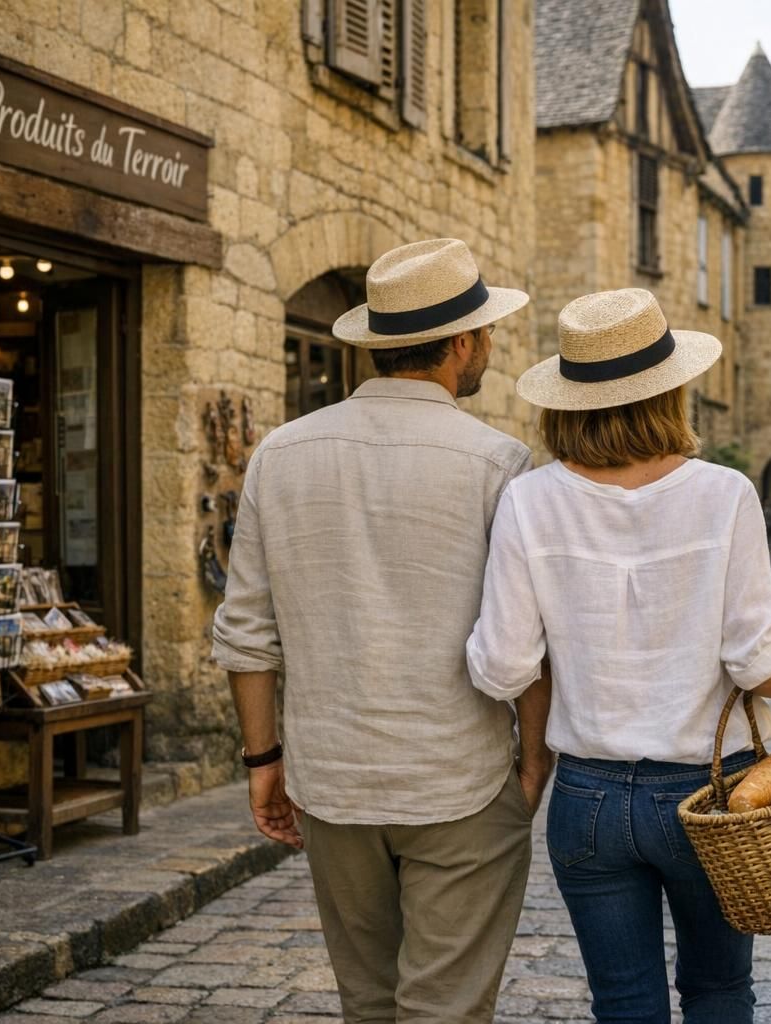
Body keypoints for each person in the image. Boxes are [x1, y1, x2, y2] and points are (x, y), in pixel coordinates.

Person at [211, 239, 549, 1024]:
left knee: (367, 1003)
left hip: (333, 779)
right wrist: (534, 762)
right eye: (487, 334)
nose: (489, 348)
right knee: (447, 1007)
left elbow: (246, 632)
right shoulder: (499, 462)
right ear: (462, 343)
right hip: (459, 775)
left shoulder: (279, 455)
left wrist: (264, 760)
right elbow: (527, 640)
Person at [466, 288, 771, 1024]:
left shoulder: (530, 501)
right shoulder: (723, 494)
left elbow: (500, 666)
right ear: (671, 390)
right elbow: (758, 660)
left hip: (587, 796)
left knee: (624, 1002)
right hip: (711, 791)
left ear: (566, 401)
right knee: (719, 991)